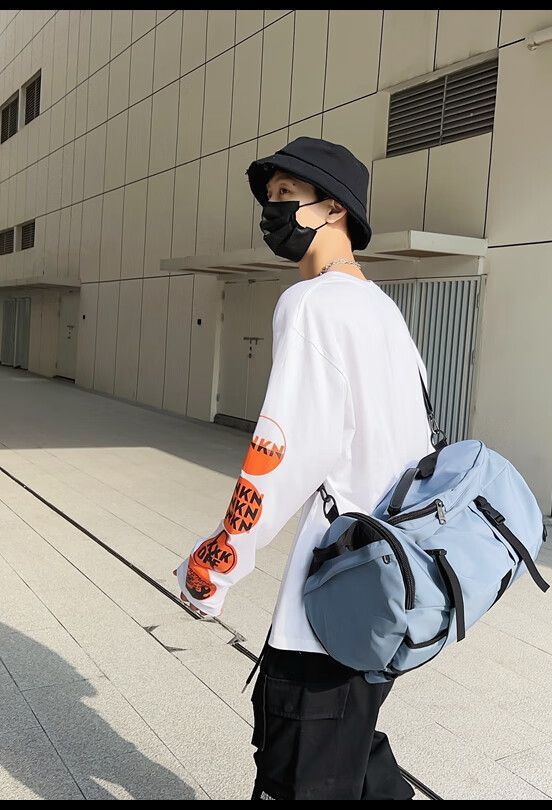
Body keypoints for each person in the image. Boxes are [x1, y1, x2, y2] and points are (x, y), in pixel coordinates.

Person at [173, 137, 434, 800]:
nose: (272, 211)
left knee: (302, 775)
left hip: (329, 603)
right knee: (354, 755)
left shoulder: (312, 304)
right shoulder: (385, 313)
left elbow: (282, 452)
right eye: (270, 198)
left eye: (287, 196)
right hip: (386, 591)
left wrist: (216, 563)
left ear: (335, 207)